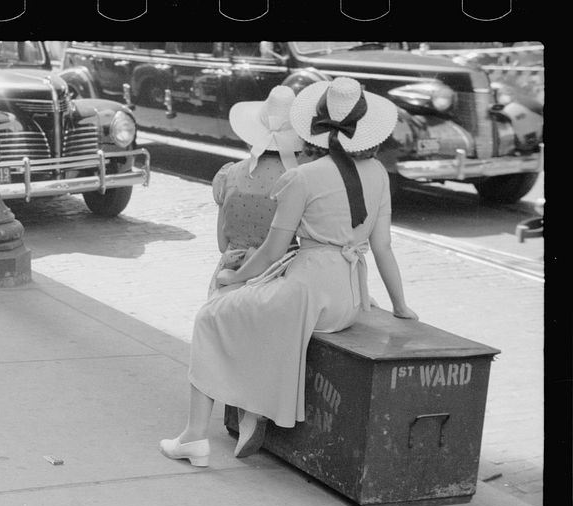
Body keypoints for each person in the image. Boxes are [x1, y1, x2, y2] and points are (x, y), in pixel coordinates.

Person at [159, 77, 418, 467]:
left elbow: (272, 250)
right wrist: (401, 305)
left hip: (309, 294)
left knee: (211, 317)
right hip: (349, 298)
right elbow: (383, 247)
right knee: (248, 314)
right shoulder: (379, 173)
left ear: (315, 127)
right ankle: (249, 409)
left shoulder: (303, 178)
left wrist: (235, 276)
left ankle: (195, 436)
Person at [207, 85, 304, 298]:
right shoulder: (297, 181)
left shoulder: (228, 174)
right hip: (276, 279)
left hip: (227, 280)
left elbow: (223, 245)